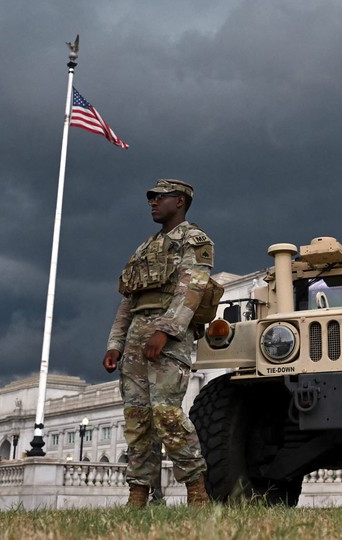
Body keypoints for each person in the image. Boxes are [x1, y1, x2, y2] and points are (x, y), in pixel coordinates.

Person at [103, 179, 213, 508]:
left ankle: (197, 490)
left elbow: (192, 289)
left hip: (169, 337)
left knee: (166, 413)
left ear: (179, 201)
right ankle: (139, 494)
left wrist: (166, 330)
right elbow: (128, 301)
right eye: (150, 197)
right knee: (137, 418)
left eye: (159, 197)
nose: (152, 202)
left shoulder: (194, 239)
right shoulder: (144, 248)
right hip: (137, 334)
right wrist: (115, 343)